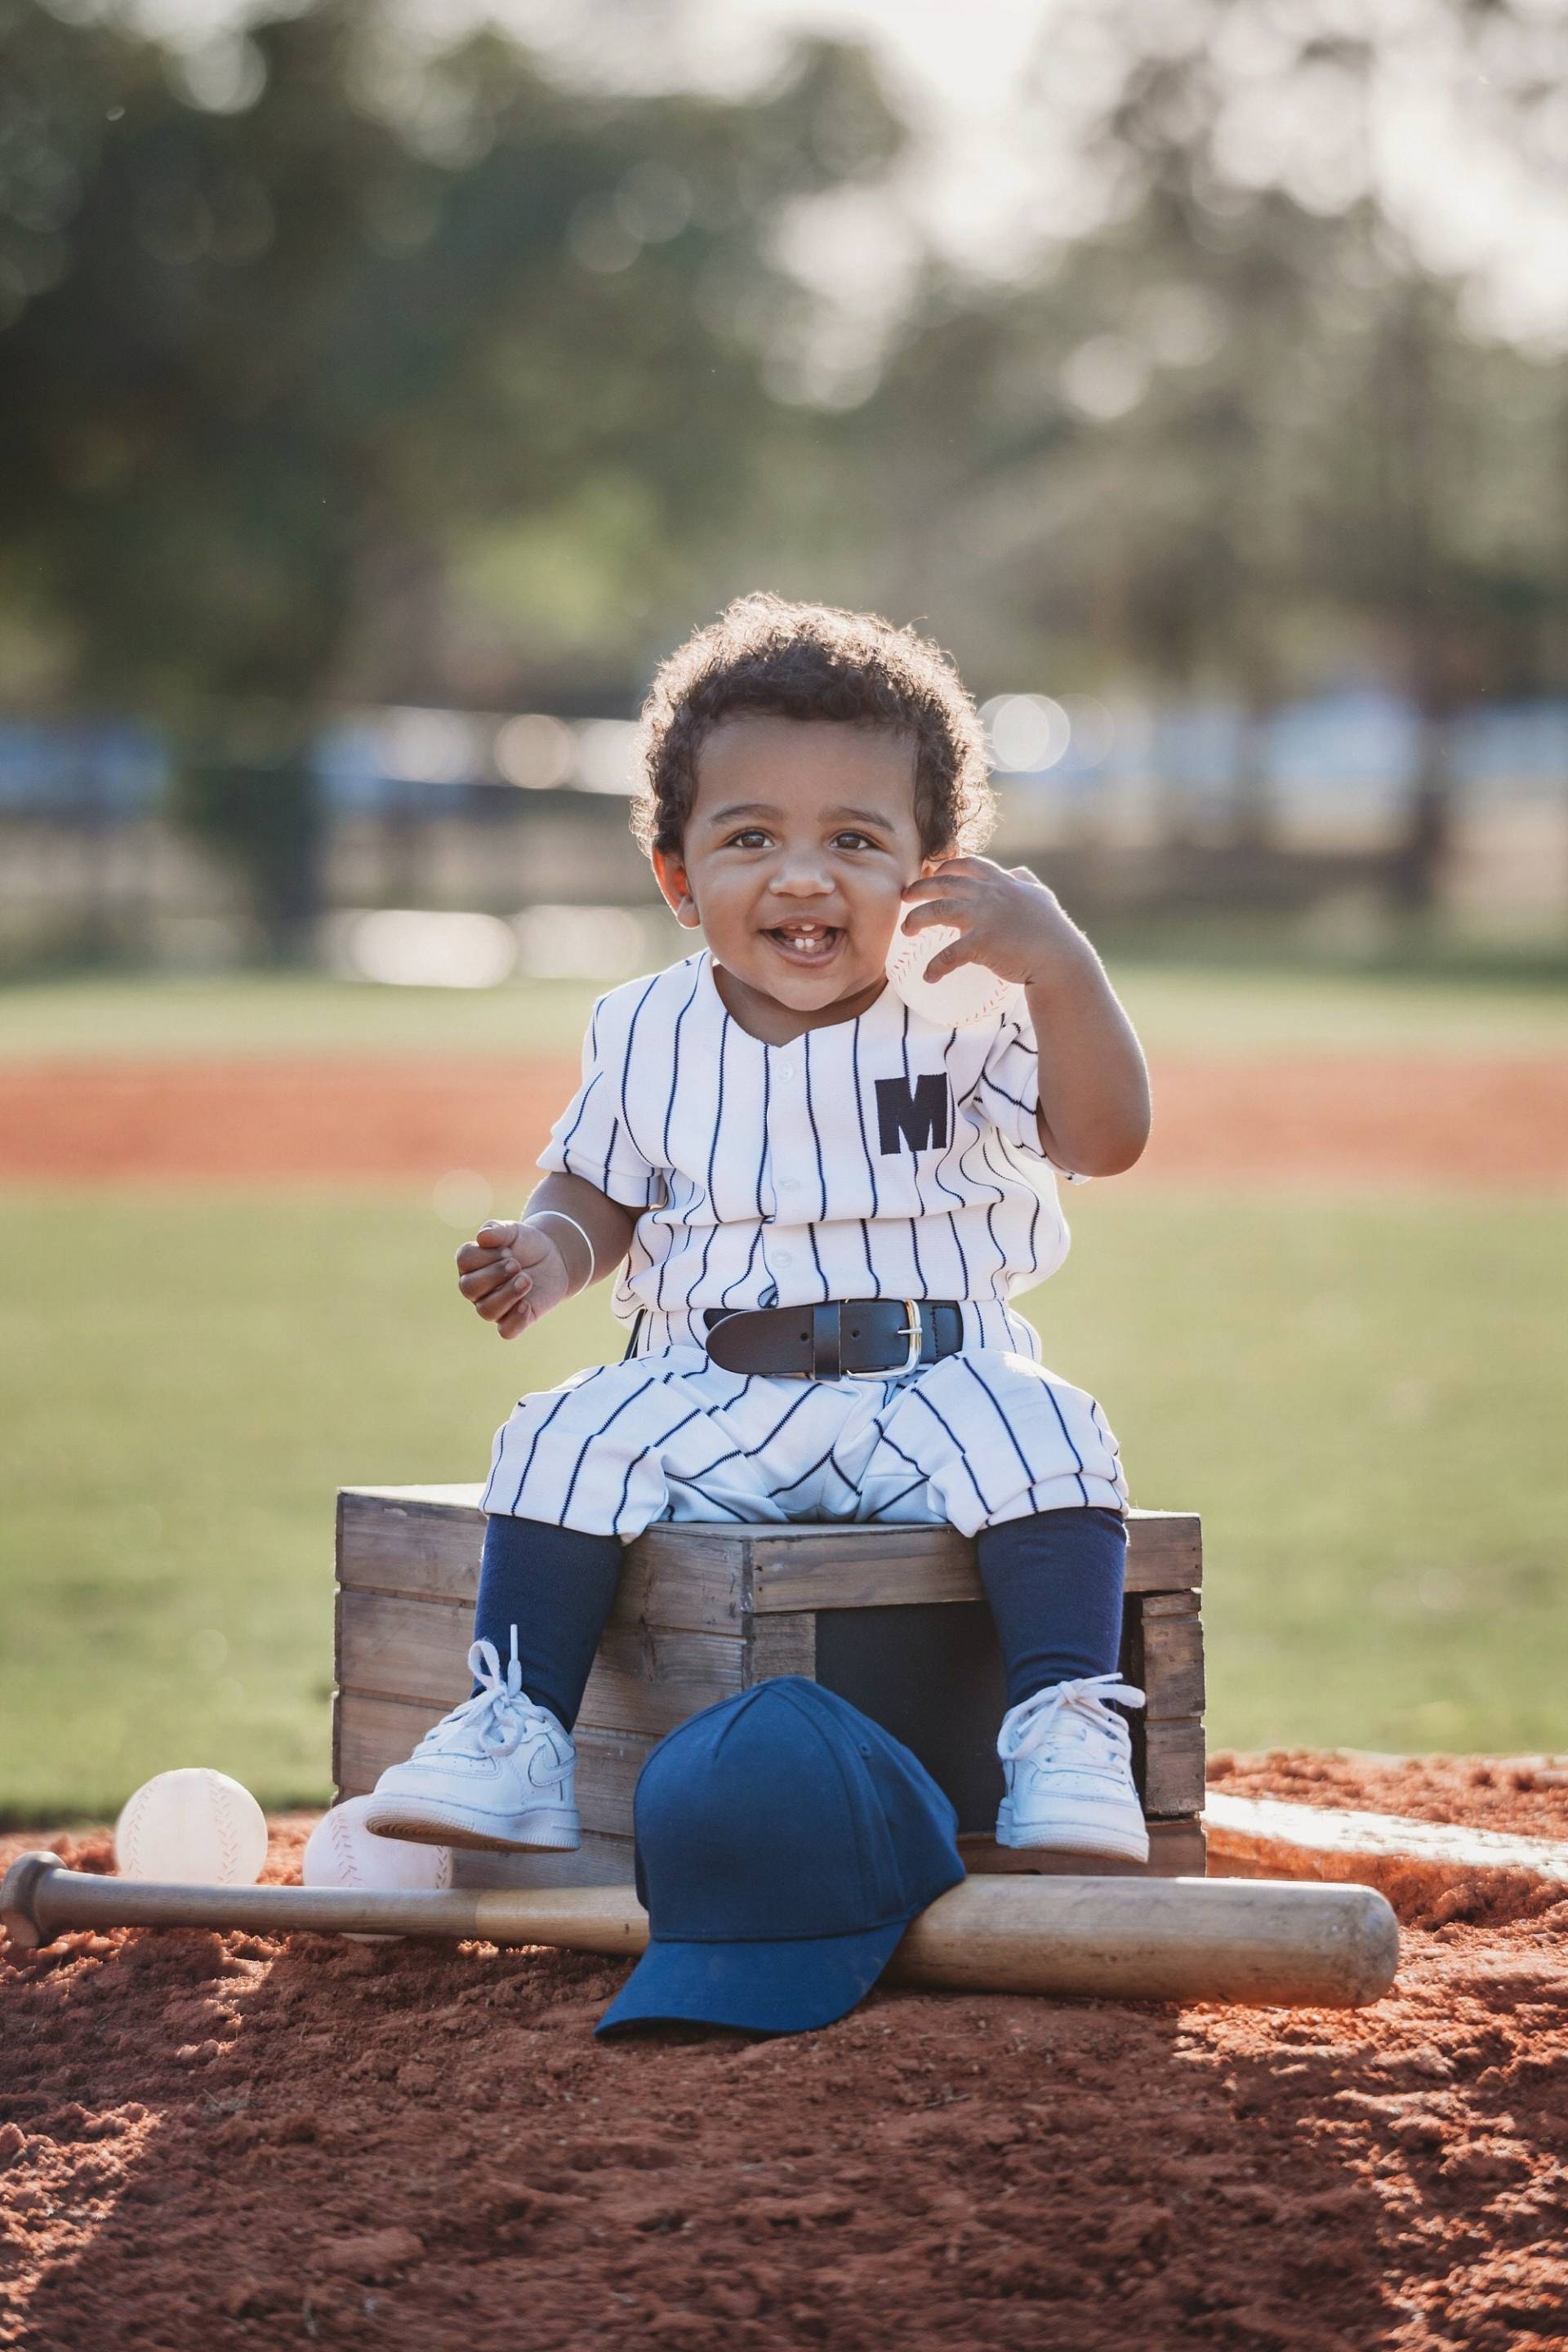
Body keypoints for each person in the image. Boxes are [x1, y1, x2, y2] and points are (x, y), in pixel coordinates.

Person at [364, 593, 1152, 1866]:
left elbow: (1105, 1140)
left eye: (855, 837)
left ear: (935, 869)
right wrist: (551, 1253)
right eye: (748, 838)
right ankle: (516, 1736)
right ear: (677, 877)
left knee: (1055, 1431)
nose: (802, 875)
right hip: (706, 1385)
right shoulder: (643, 1027)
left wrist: (1059, 962)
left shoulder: (971, 1011)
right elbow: (599, 1186)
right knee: (556, 1438)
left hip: (936, 1378)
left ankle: (1063, 1731)